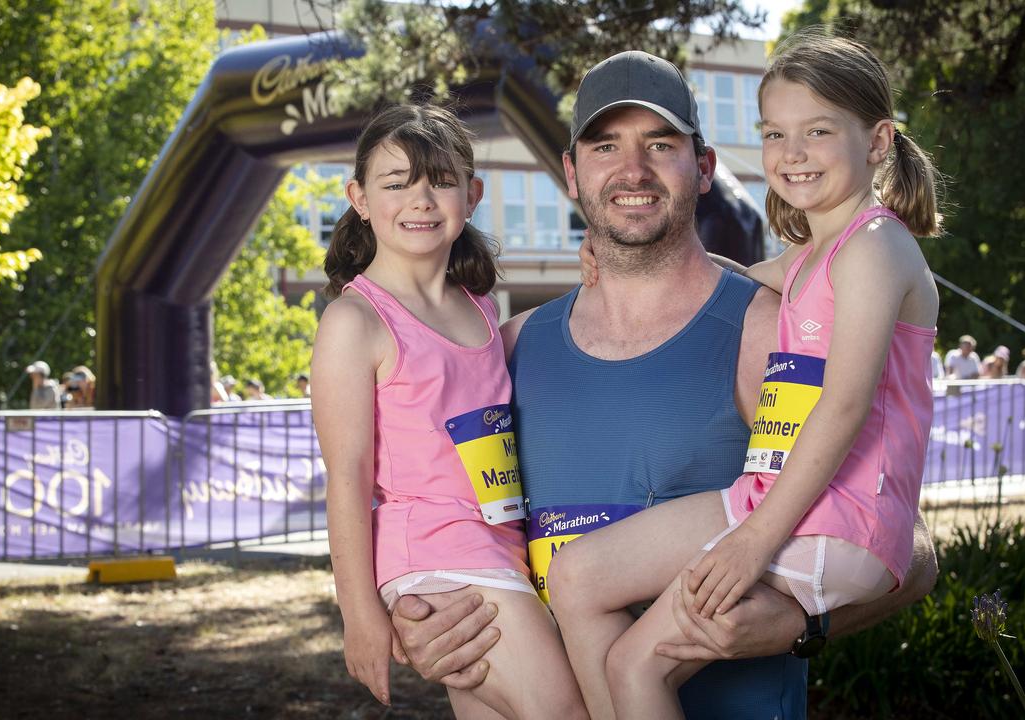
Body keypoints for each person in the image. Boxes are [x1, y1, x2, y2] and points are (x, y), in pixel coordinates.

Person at [391, 49, 937, 719]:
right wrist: (408, 617)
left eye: (660, 143)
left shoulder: (767, 327)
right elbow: (433, 521)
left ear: (704, 167)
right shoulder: (505, 352)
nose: (632, 170)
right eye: (604, 146)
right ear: (570, 171)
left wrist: (803, 625)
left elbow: (903, 543)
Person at [544, 34, 942, 718]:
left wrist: (752, 543)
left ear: (878, 142)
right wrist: (610, 263)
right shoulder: (816, 255)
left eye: (818, 131)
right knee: (578, 579)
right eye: (775, 133)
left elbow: (844, 407)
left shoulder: (875, 247)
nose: (792, 152)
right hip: (778, 502)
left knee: (637, 665)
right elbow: (726, 277)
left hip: (828, 517)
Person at [310, 104, 586, 719]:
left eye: (440, 180)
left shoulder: (481, 308)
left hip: (504, 547)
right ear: (358, 197)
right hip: (435, 557)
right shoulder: (354, 321)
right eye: (397, 182)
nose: (421, 199)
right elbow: (347, 475)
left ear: (472, 194)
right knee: (569, 711)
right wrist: (359, 615)